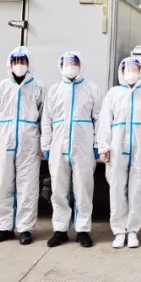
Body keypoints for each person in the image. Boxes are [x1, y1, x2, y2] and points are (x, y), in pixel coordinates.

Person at [41, 51, 103, 248]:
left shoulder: (92, 89)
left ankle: (83, 230)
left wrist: (97, 144)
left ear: (80, 65)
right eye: (67, 63)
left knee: (83, 188)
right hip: (58, 145)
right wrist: (46, 144)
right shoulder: (54, 91)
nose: (71, 66)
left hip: (83, 146)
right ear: (60, 66)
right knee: (59, 189)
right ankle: (60, 230)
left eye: (74, 63)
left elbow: (99, 119)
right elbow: (46, 120)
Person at [97, 57, 141, 249]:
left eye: (135, 69)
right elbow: (104, 122)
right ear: (121, 72)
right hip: (117, 150)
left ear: (140, 72)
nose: (131, 72)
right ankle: (118, 231)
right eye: (128, 69)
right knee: (116, 189)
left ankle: (132, 231)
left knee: (137, 190)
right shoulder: (113, 94)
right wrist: (103, 147)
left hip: (140, 151)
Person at [0, 46, 44, 246]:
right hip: (6, 140)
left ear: (29, 64)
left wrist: (41, 142)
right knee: (4, 184)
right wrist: (7, 132)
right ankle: (4, 227)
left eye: (22, 61)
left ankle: (25, 229)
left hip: (29, 142)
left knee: (28, 186)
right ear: (10, 64)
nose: (19, 65)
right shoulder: (2, 87)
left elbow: (42, 115)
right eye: (16, 61)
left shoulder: (38, 87)